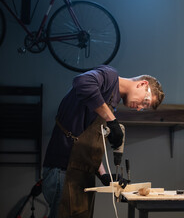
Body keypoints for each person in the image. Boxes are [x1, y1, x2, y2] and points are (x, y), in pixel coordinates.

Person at [42, 65, 165, 218]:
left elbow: (87, 142)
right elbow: (82, 82)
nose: (139, 108)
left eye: (144, 108)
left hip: (81, 174)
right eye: (145, 102)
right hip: (63, 171)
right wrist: (112, 121)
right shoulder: (109, 76)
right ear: (142, 84)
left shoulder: (110, 103)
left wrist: (104, 175)